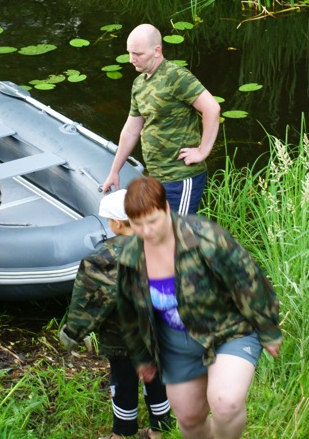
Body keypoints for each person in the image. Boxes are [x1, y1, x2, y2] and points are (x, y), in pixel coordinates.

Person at [116, 176, 282, 439]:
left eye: (153, 222)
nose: (146, 232)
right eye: (138, 224)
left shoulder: (205, 236)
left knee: (226, 403)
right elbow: (128, 310)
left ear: (166, 210)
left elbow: (248, 280)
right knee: (189, 418)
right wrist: (142, 357)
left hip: (227, 330)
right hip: (176, 344)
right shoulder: (130, 256)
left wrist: (269, 329)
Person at [59, 190, 173, 439]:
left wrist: (73, 333)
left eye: (109, 220)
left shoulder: (104, 257)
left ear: (118, 223)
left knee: (123, 381)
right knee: (158, 377)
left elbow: (90, 302)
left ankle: (121, 433)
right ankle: (160, 430)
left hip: (122, 336)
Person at [102, 24, 221, 215]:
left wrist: (202, 151)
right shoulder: (139, 83)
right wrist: (114, 171)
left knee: (176, 236)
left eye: (138, 54)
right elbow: (131, 130)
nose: (132, 59)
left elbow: (212, 109)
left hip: (180, 178)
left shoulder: (176, 76)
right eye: (129, 53)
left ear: (157, 51)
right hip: (157, 177)